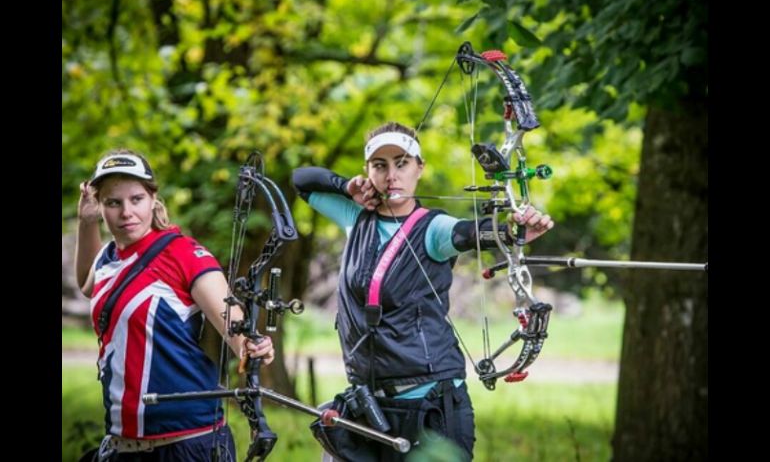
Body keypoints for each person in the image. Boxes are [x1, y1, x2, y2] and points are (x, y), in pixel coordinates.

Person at [292, 122, 554, 461]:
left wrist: (514, 231)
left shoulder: (434, 229)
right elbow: (301, 179)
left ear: (420, 168)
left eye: (402, 163)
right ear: (368, 171)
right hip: (369, 404)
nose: (391, 176)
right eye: (380, 165)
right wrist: (346, 187)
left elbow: (469, 233)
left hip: (430, 405)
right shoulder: (355, 218)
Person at [75, 150, 276, 461]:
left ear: (153, 198)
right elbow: (88, 284)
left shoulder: (183, 254)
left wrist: (253, 346)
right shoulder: (106, 257)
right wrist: (86, 222)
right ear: (99, 205)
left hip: (187, 445)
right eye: (113, 203)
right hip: (121, 447)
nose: (127, 212)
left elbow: (235, 327)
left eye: (136, 199)